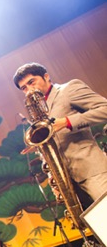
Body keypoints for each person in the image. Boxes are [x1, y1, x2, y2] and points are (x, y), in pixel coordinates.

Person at [13, 62, 107, 202]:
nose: (29, 90)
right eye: (24, 88)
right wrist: (53, 177)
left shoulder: (69, 89)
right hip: (68, 183)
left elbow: (104, 109)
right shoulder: (39, 111)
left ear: (46, 76)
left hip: (92, 171)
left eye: (32, 82)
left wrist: (67, 121)